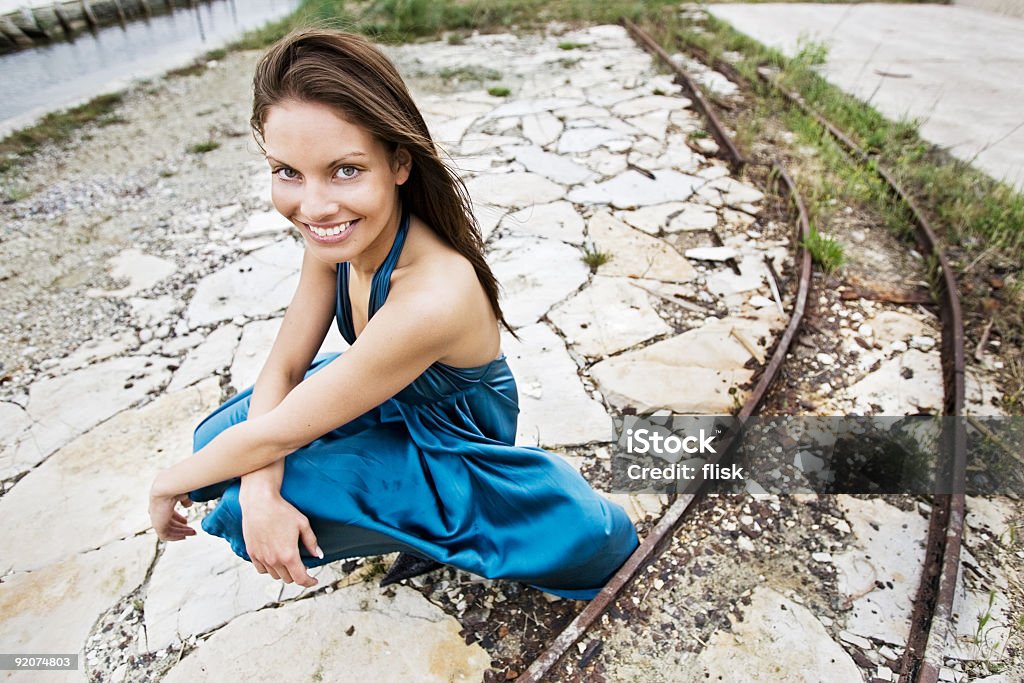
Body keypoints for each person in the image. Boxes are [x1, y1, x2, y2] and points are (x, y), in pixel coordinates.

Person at [148, 28, 638, 600]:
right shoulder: (335, 238)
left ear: (399, 163)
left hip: (454, 438)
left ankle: (449, 523)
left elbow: (275, 431)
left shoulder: (432, 295)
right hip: (391, 397)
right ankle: (384, 512)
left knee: (232, 499)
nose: (314, 206)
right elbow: (280, 369)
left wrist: (167, 485)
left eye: (345, 169)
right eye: (288, 172)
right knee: (220, 443)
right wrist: (262, 487)